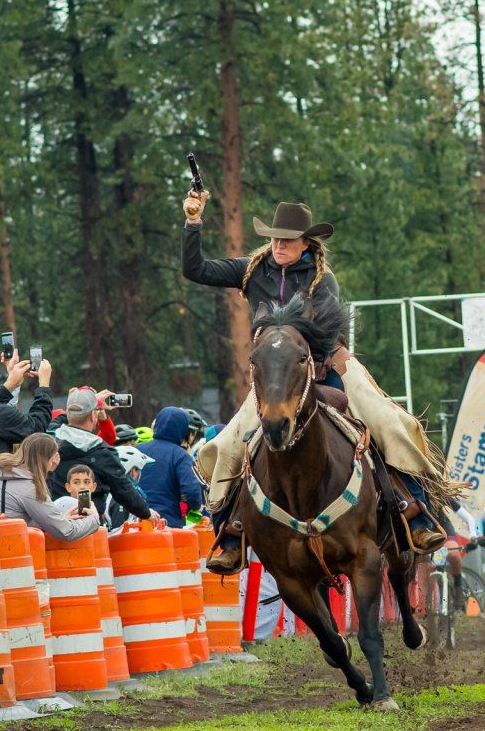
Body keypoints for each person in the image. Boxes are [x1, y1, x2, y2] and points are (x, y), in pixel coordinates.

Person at [183, 196, 459, 572]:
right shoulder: (252, 270)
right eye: (275, 238)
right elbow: (195, 269)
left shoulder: (321, 279)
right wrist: (193, 222)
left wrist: (316, 354)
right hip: (275, 379)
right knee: (229, 444)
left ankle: (417, 511)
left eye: (288, 240)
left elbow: (329, 334)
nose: (279, 245)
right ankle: (230, 532)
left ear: (307, 243)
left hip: (327, 365)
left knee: (389, 423)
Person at [0, 432, 101, 542]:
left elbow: (13, 513)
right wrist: (94, 519)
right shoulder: (29, 488)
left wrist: (57, 520)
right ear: (47, 460)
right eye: (51, 459)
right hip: (2, 547)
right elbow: (67, 532)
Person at [51, 388, 150, 521]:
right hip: (87, 525)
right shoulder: (102, 451)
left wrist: (78, 407)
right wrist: (147, 513)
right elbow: (123, 490)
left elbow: (54, 423)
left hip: (52, 522)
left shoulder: (49, 440)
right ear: (93, 415)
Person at [137, 405, 206, 528]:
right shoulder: (180, 455)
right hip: (167, 524)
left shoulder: (136, 450)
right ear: (183, 429)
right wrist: (195, 505)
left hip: (136, 522)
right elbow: (191, 490)